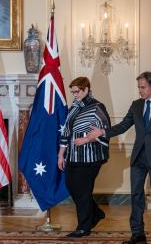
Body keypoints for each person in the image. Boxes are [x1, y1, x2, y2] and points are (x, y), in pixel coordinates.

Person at [84, 71, 151, 244]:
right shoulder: (136, 105)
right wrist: (102, 132)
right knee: (136, 195)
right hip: (139, 156)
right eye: (139, 87)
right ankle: (138, 234)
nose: (140, 91)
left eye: (143, 87)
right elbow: (124, 125)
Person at [57, 76, 111, 238]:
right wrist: (61, 155)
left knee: (83, 191)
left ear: (86, 89)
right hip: (73, 156)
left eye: (77, 91)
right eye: (72, 92)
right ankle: (96, 213)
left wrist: (87, 138)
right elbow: (66, 132)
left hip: (91, 157)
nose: (74, 94)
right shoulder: (74, 107)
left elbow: (105, 131)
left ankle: (83, 227)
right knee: (72, 187)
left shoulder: (97, 107)